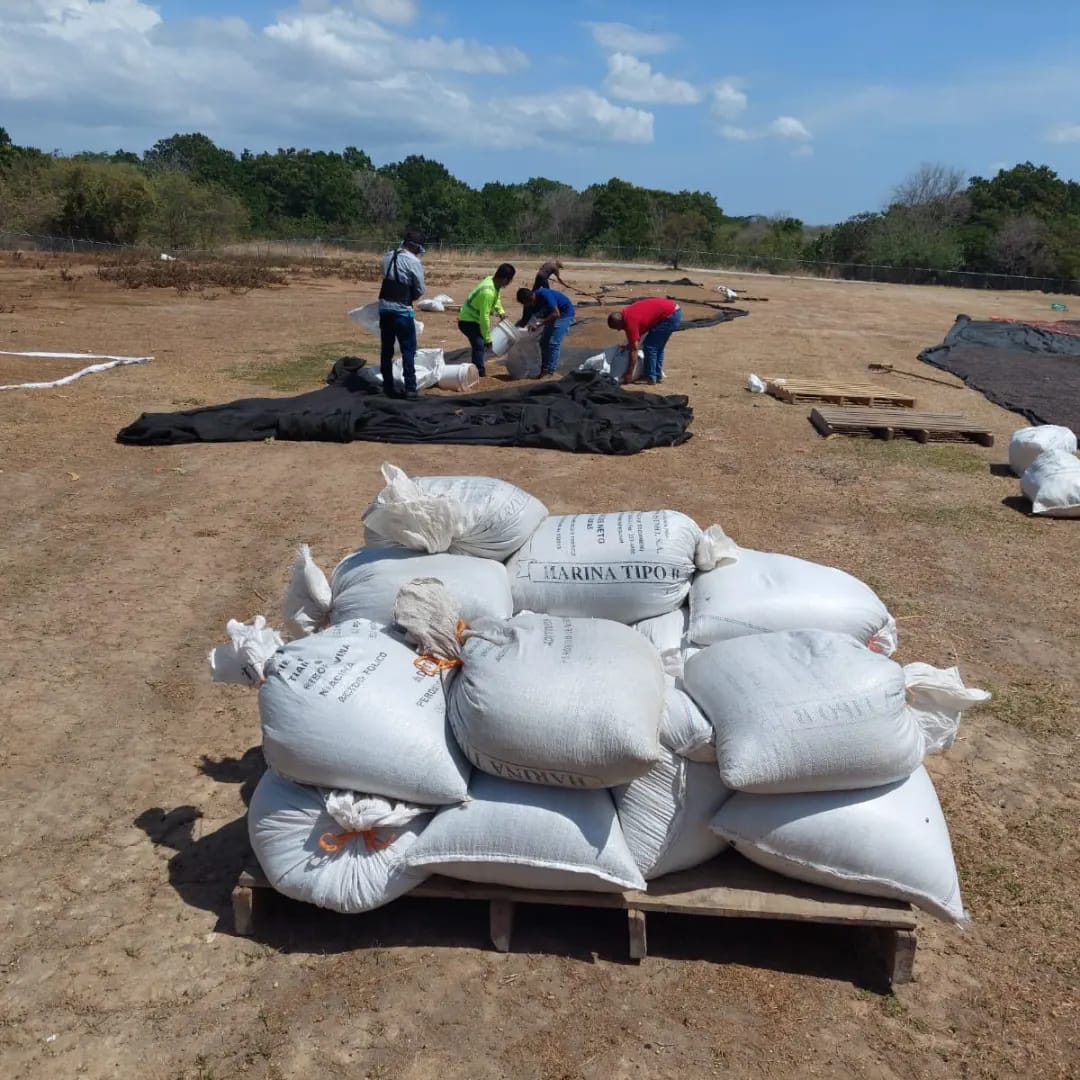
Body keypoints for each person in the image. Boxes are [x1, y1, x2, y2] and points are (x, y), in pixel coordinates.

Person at [377, 228, 425, 399]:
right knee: (408, 349)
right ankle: (410, 388)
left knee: (386, 349)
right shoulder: (413, 262)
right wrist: (411, 295)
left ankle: (387, 386)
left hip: (384, 309)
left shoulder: (387, 256)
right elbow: (419, 290)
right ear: (414, 246)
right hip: (402, 312)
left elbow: (386, 278)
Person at [458, 263, 516, 377]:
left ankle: (477, 368)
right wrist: (488, 339)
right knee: (479, 344)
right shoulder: (487, 292)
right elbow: (484, 317)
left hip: (472, 319)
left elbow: (497, 298)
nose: (509, 283)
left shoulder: (493, 282)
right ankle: (479, 373)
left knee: (479, 345)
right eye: (510, 280)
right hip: (467, 321)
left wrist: (501, 312)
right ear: (504, 279)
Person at [607, 298, 682, 385]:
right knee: (658, 346)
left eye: (617, 327)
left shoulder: (630, 322)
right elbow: (638, 333)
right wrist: (630, 344)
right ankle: (657, 375)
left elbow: (634, 350)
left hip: (670, 316)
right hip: (674, 311)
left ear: (620, 322)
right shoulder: (626, 314)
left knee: (650, 346)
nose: (619, 330)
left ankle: (651, 377)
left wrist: (629, 374)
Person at [516, 285, 575, 377]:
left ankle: (550, 371)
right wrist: (514, 329)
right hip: (550, 315)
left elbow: (556, 314)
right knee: (543, 342)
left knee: (553, 343)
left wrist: (539, 324)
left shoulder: (544, 295)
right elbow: (524, 320)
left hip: (564, 314)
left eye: (528, 303)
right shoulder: (527, 304)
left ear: (531, 297)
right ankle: (544, 368)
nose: (527, 306)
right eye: (525, 304)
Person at [517, 258, 572, 327]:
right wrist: (565, 285)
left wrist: (545, 274)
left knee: (533, 292)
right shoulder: (555, 268)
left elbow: (541, 268)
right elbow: (559, 279)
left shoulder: (549, 263)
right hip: (543, 278)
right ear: (558, 266)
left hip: (538, 275)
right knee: (547, 293)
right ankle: (546, 309)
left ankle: (530, 308)